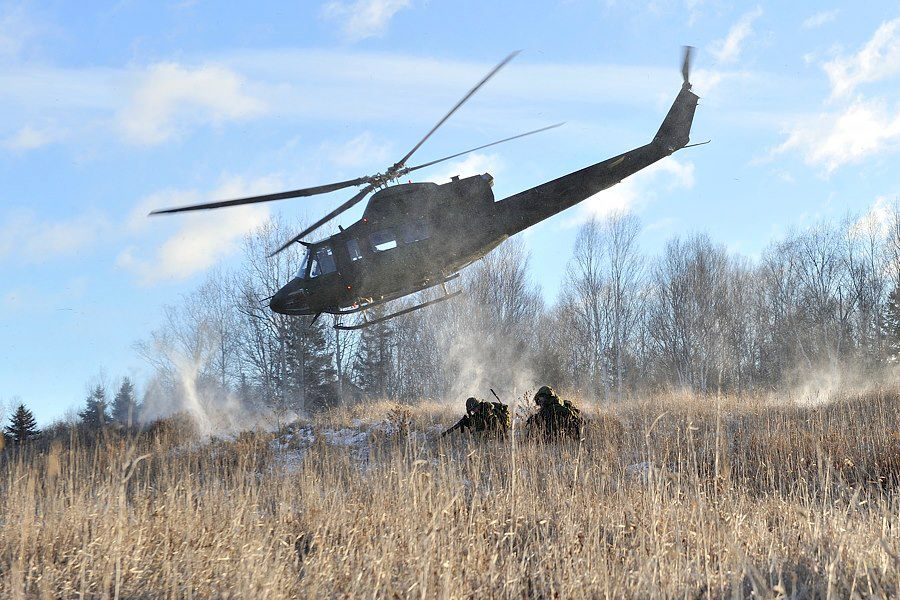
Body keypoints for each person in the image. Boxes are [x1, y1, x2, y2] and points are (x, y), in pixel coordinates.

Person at [442, 396, 510, 437]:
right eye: (472, 410)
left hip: (501, 427)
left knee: (480, 435)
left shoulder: (486, 408)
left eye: (474, 409)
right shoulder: (478, 413)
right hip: (494, 428)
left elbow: (481, 426)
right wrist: (468, 422)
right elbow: (477, 424)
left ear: (478, 405)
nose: (474, 411)